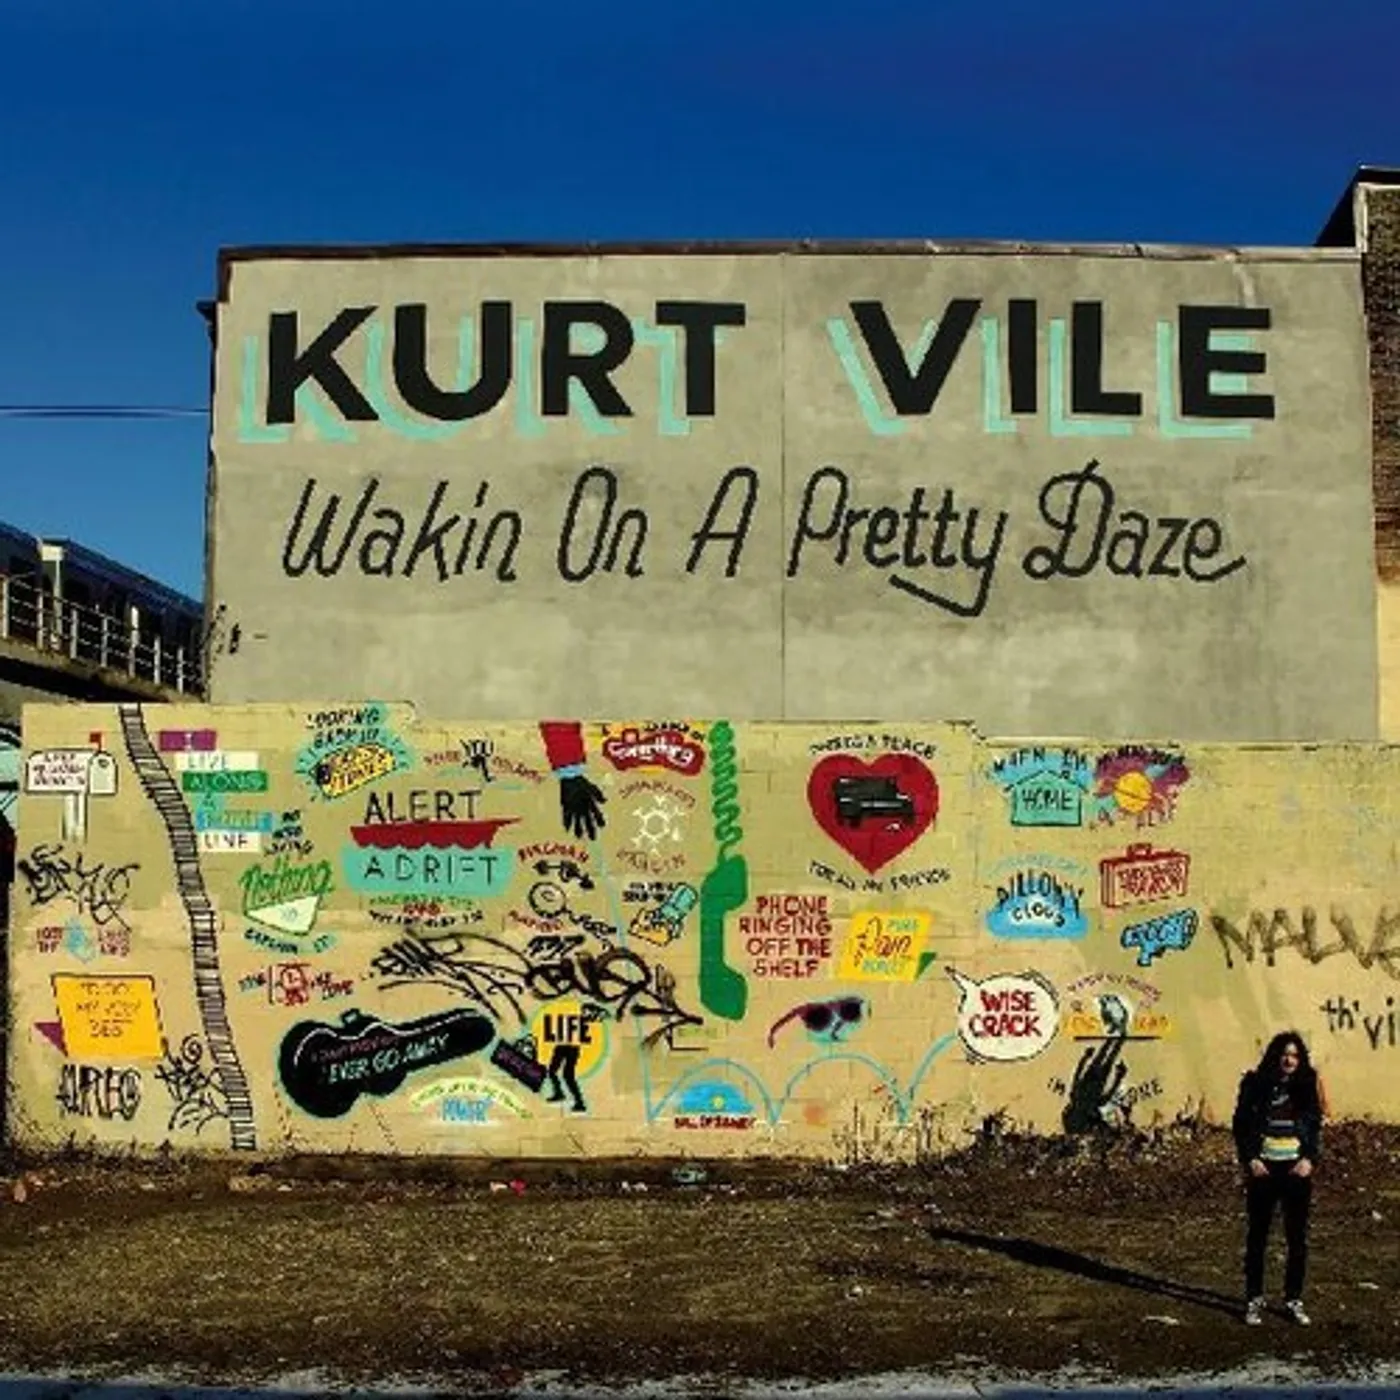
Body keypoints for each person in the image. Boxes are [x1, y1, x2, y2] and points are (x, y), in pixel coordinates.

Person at [1231, 1031, 1323, 1327]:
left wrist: (1309, 1159)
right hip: (1264, 1169)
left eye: (1295, 1055)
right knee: (1258, 1236)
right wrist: (1251, 1159)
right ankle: (1253, 1298)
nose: (1289, 1060)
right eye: (1285, 1054)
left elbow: (1314, 1124)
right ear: (1275, 1056)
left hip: (1295, 1169)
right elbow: (1241, 1123)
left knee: (1297, 1238)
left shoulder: (1306, 1085)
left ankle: (1293, 1299)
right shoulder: (1256, 1084)